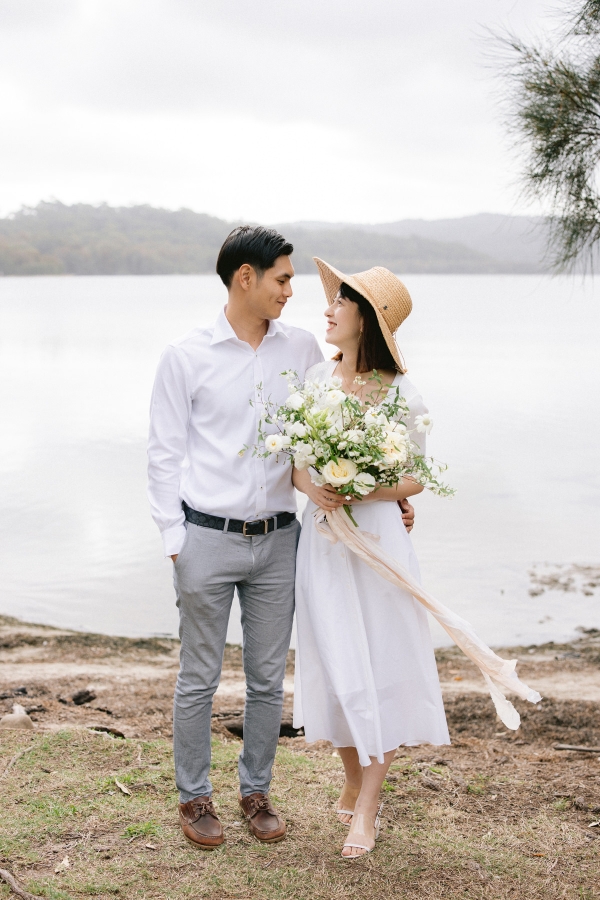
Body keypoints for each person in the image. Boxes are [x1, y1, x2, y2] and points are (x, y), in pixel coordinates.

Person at [147, 228, 416, 850]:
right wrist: (173, 538)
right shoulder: (184, 355)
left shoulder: (300, 349)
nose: (292, 292)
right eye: (283, 280)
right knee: (198, 678)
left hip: (279, 541)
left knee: (269, 680)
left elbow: (355, 413)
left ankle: (256, 792)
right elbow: (164, 454)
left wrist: (393, 498)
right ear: (247, 277)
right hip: (204, 537)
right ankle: (194, 799)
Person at [292, 259, 450, 859]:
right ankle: (351, 771)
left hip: (380, 538)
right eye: (330, 300)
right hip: (324, 539)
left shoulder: (404, 394)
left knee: (381, 658)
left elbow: (415, 478)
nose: (327, 310)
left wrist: (366, 487)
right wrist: (314, 488)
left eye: (340, 302)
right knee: (334, 655)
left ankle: (368, 806)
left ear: (367, 319)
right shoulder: (314, 378)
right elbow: (297, 461)